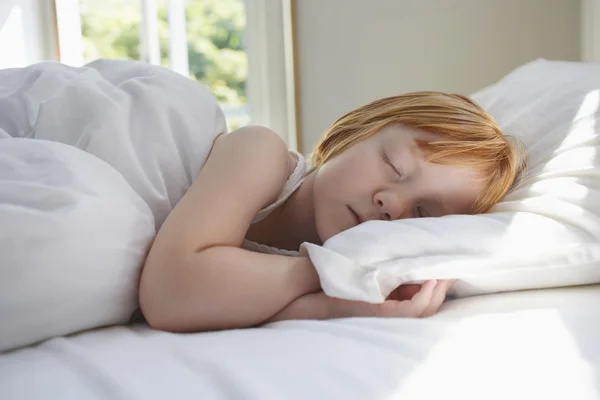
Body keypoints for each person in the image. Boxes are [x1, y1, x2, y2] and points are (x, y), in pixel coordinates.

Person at [138, 91, 526, 332]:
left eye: (423, 213)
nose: (391, 204)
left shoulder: (300, 278)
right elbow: (170, 293)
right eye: (394, 166)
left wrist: (340, 306)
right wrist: (336, 270)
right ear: (359, 131)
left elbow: (211, 304)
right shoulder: (260, 152)